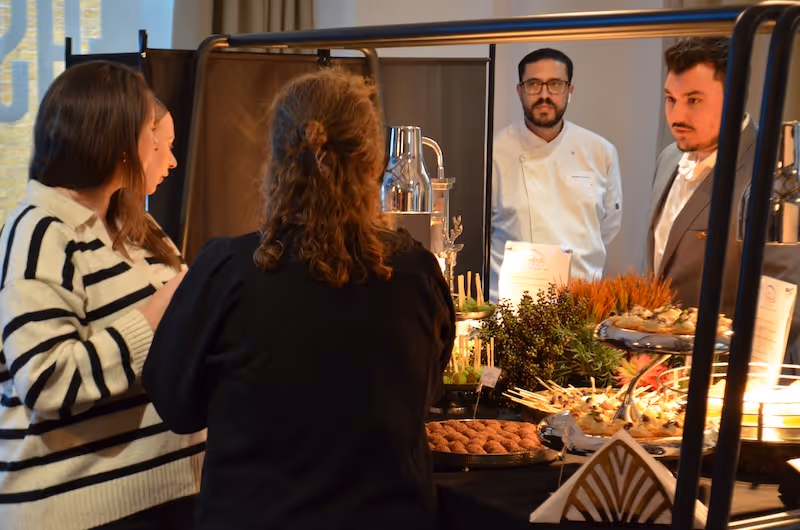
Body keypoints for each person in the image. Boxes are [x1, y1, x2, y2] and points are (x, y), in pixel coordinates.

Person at [142, 68, 456, 530]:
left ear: (275, 160)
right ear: (371, 163)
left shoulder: (227, 270)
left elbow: (175, 404)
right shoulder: (416, 272)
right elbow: (425, 394)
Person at [0, 61, 204, 530]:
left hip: (166, 496)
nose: (158, 146)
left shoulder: (135, 224)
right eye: (148, 131)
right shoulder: (38, 231)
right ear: (113, 137)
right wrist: (156, 317)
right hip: (82, 512)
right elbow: (47, 380)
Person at [647, 37, 800, 362]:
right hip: (661, 375)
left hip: (726, 379)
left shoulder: (776, 170)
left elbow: (783, 301)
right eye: (670, 99)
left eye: (694, 100)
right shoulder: (668, 158)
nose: (676, 115)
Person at [490, 47, 623, 303]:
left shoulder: (600, 151)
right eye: (533, 84)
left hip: (582, 303)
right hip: (512, 306)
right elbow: (480, 232)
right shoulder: (493, 151)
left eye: (555, 84)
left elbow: (608, 226)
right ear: (520, 91)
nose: (544, 95)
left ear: (569, 90)